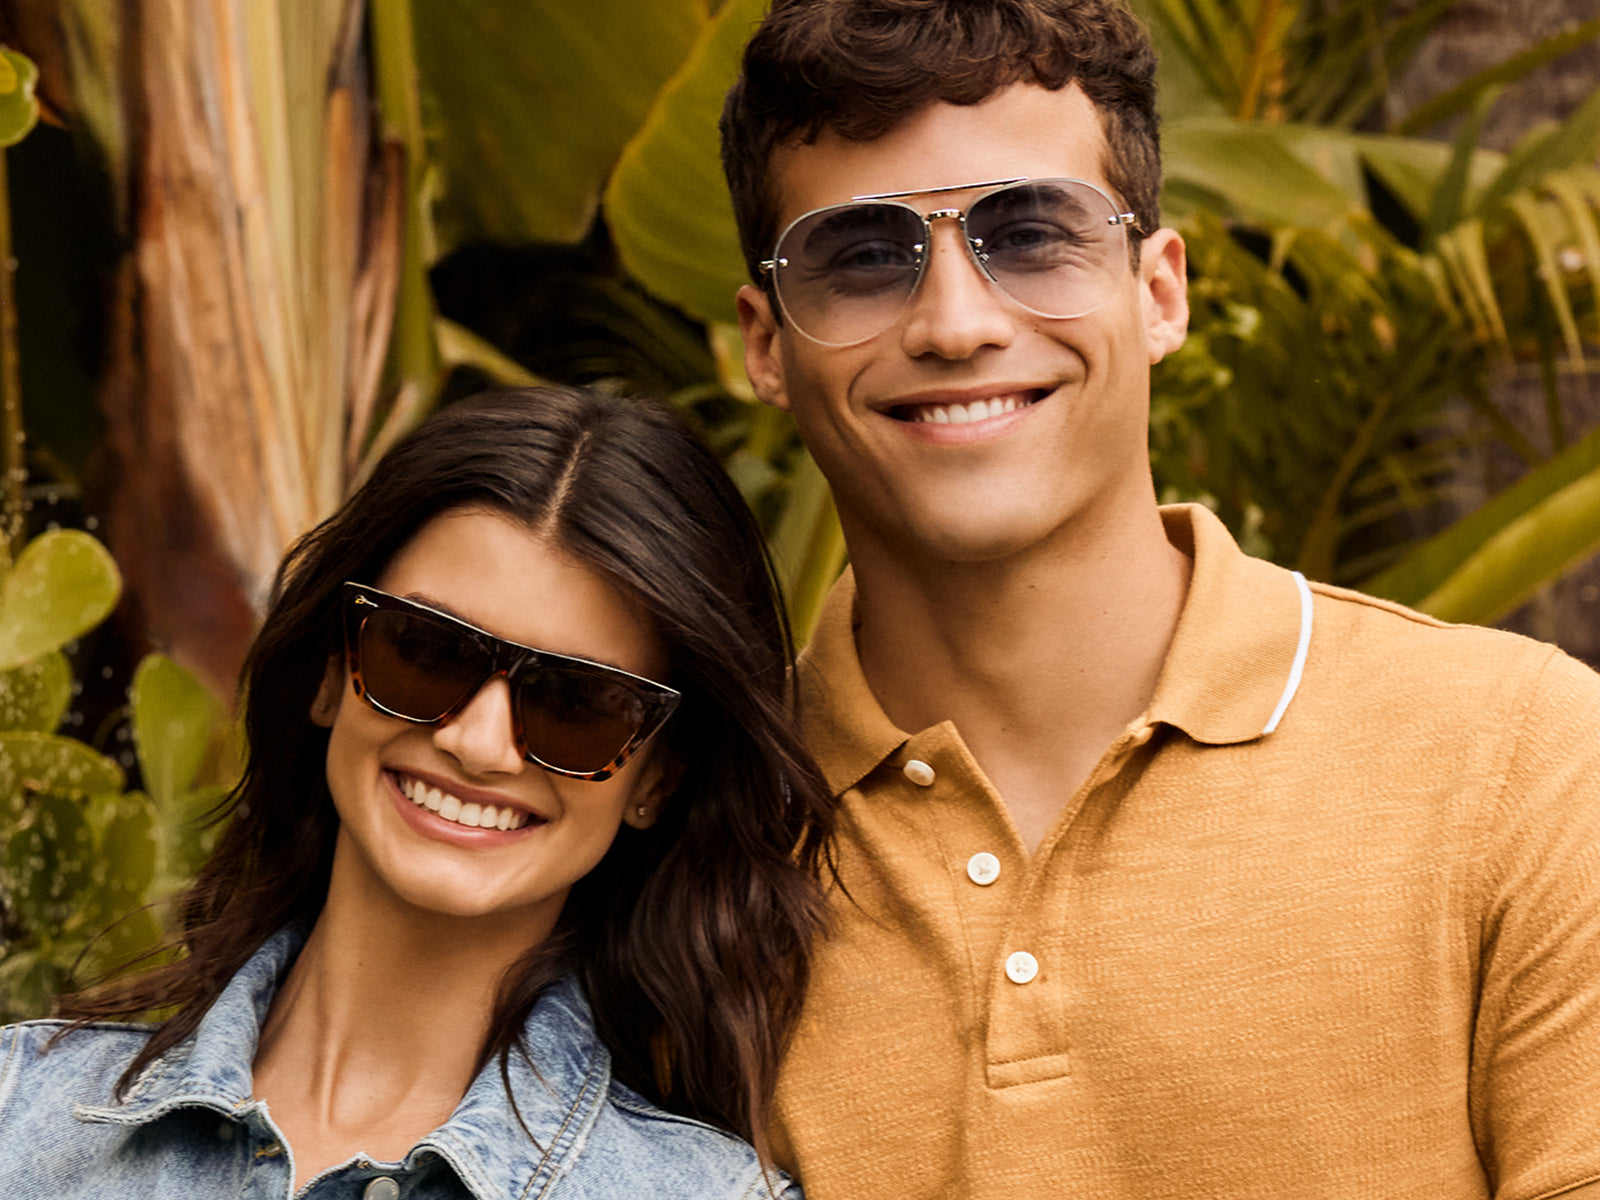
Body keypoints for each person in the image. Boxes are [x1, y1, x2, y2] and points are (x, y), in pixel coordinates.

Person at [719, 1, 1600, 1197]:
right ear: (766, 346)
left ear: (1160, 292)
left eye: (1030, 235)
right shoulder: (685, 834)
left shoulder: (1520, 760)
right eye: (864, 256)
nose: (957, 323)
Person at [0, 385, 830, 1199]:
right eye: (424, 650)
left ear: (656, 776)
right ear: (333, 672)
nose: (476, 743)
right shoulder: (20, 1112)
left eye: (577, 702)